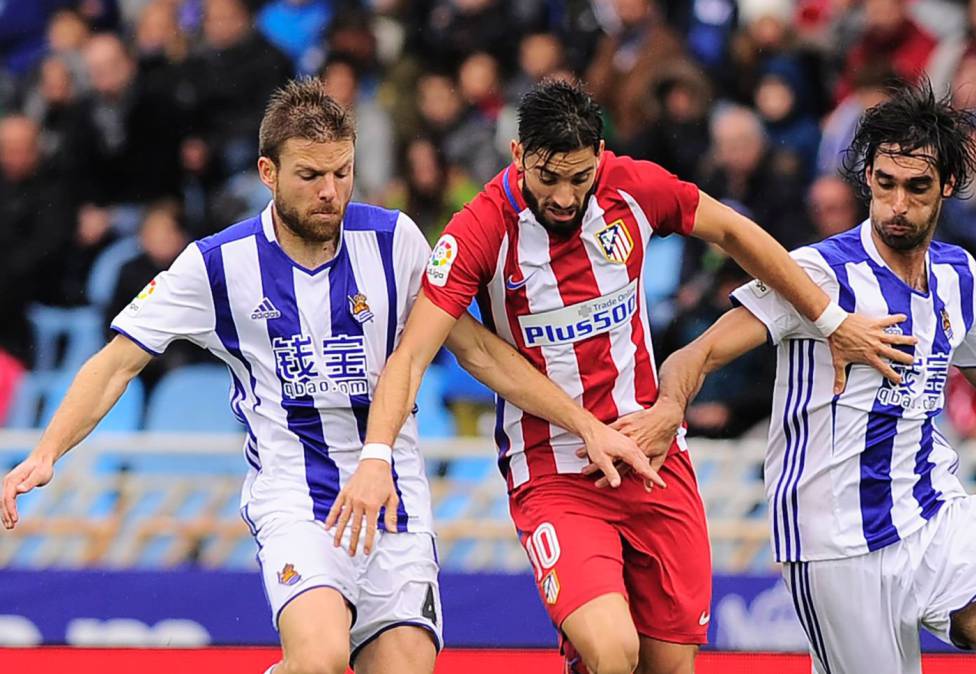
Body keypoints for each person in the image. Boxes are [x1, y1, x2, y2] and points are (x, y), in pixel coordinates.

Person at [0, 78, 651, 674]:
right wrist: (47, 452)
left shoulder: (395, 241)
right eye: (311, 175)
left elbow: (477, 352)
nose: (331, 192)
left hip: (396, 500)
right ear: (267, 172)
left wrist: (586, 426)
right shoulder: (216, 266)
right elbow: (117, 361)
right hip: (296, 500)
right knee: (319, 659)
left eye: (342, 172)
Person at [331, 79, 914, 674]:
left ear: (601, 157)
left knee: (668, 666)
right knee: (613, 650)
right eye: (548, 177)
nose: (563, 196)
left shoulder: (632, 188)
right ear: (517, 156)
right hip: (555, 469)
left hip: (652, 453)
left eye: (579, 178)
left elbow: (736, 233)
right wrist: (377, 455)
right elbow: (410, 356)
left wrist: (829, 319)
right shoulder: (480, 230)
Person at [622, 81, 976, 674]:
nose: (897, 204)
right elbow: (693, 357)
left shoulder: (958, 274)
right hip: (835, 540)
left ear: (947, 185)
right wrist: (670, 409)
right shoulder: (818, 273)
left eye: (917, 187)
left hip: (934, 511)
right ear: (867, 178)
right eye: (885, 184)